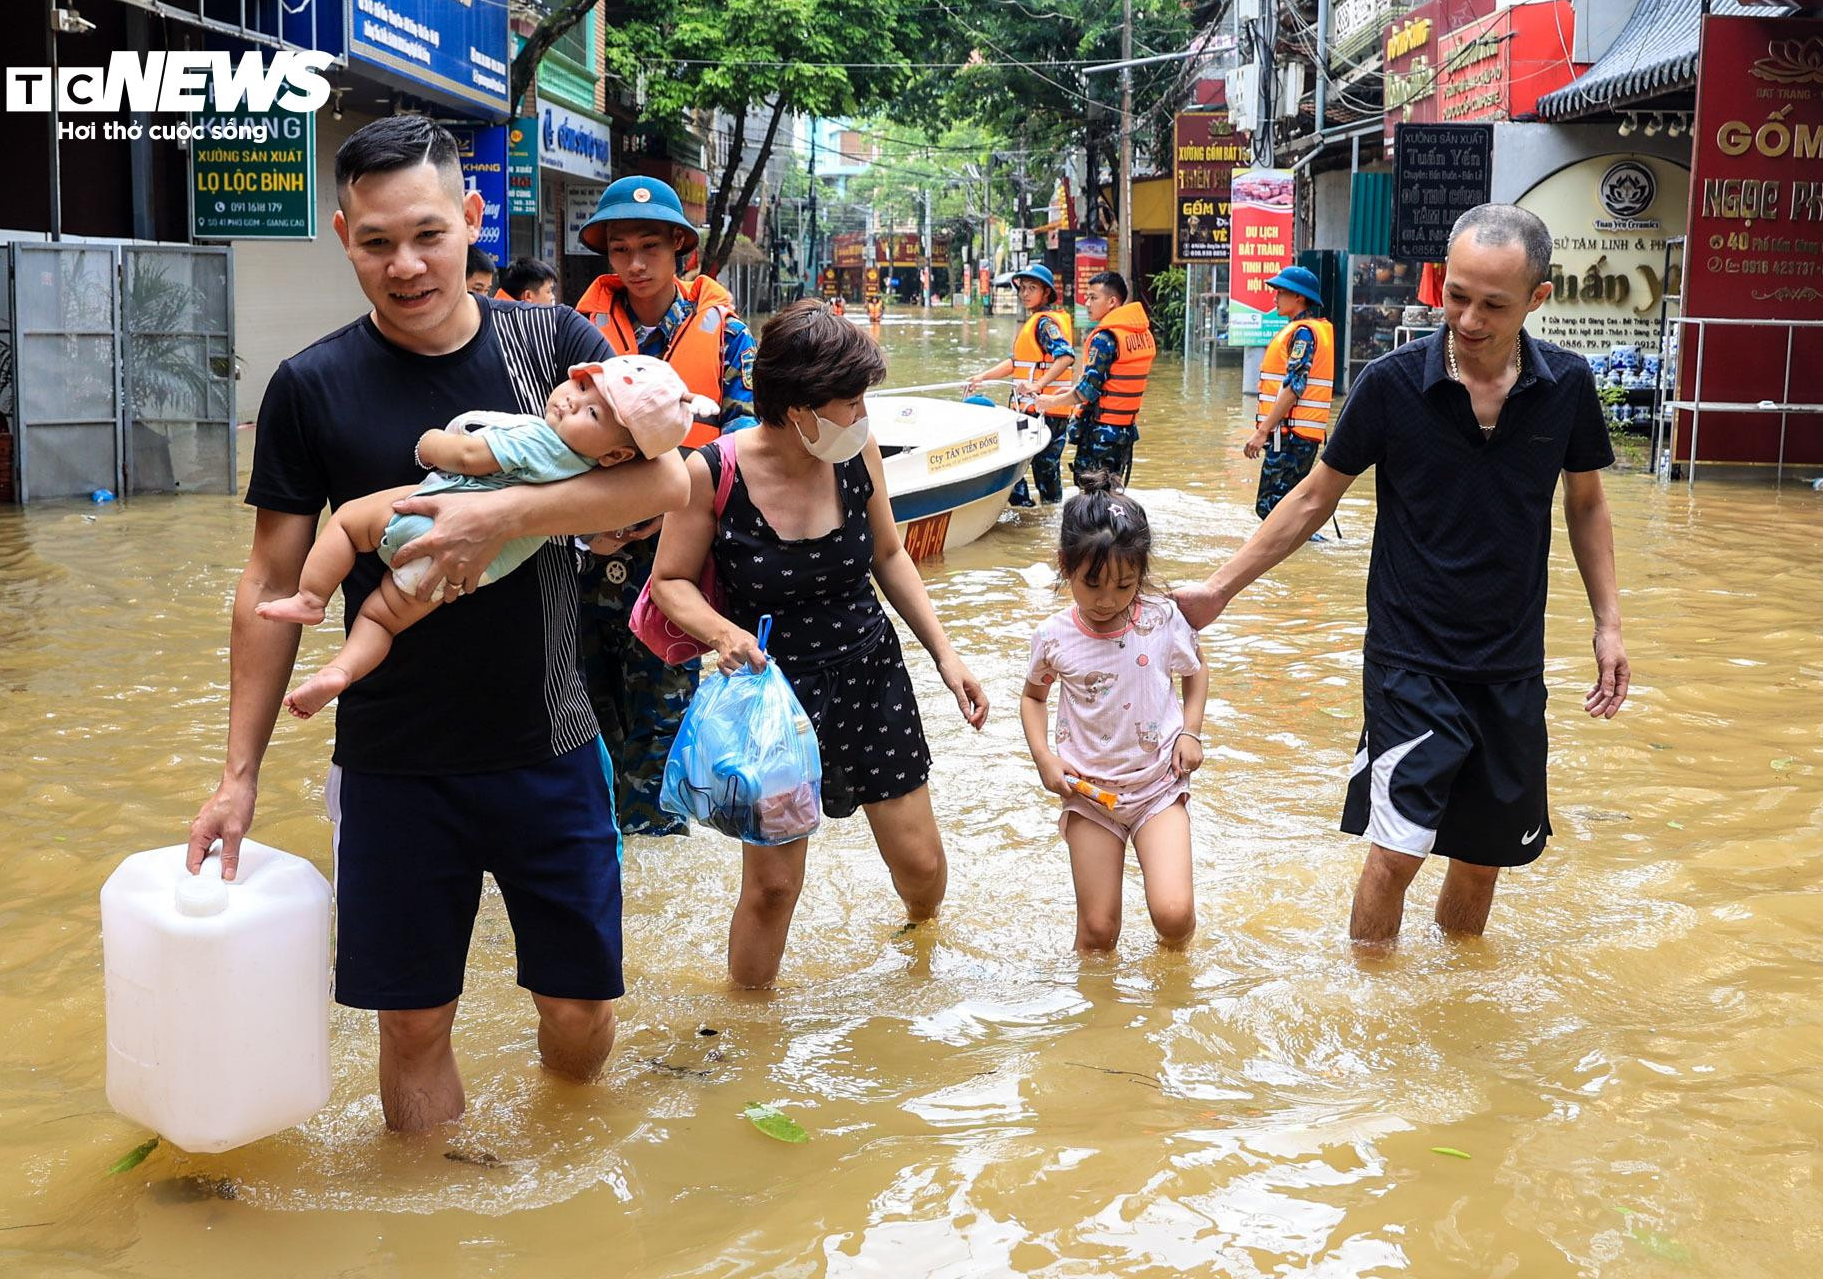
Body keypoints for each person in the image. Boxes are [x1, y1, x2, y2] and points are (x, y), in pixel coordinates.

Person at [185, 116, 688, 1132]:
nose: (404, 264)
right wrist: (235, 774)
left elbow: (665, 477)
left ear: (470, 219)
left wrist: (496, 515)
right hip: (391, 758)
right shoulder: (310, 387)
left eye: (427, 234)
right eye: (375, 242)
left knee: (581, 1006)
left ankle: (568, 1161)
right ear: (343, 237)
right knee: (412, 1026)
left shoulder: (554, 349)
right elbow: (269, 580)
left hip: (549, 740)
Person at [1172, 204, 1630, 945]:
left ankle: (1451, 1017)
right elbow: (1314, 498)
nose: (1469, 318)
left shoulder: (1568, 387)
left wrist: (1609, 624)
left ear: (1538, 301)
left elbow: (1587, 504)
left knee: (1483, 862)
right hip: (1410, 661)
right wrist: (1219, 588)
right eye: (1456, 295)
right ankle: (1373, 1015)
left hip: (1511, 665)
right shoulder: (1390, 386)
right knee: (1397, 854)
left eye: (1493, 304)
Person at [649, 301, 991, 987]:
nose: (861, 413)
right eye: (848, 399)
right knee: (774, 888)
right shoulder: (709, 472)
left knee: (920, 867)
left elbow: (890, 554)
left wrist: (946, 655)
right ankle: (748, 1026)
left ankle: (920, 963)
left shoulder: (856, 449)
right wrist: (723, 633)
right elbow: (669, 583)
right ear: (795, 406)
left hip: (870, 676)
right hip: (773, 698)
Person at [257, 356, 701, 718]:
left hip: (425, 517)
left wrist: (429, 444)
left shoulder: (539, 439)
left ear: (617, 453)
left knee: (349, 522)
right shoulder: (595, 479)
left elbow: (470, 456)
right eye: (581, 388)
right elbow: (600, 540)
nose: (571, 402)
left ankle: (311, 598)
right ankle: (340, 671)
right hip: (471, 571)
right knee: (381, 618)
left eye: (592, 411)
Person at [574, 176, 758, 837]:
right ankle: (605, 860)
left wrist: (666, 506)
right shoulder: (578, 334)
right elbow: (549, 434)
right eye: (620, 248)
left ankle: (657, 875)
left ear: (681, 247)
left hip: (675, 564)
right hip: (587, 557)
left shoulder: (729, 337)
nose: (634, 263)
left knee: (663, 728)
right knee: (587, 723)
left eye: (650, 246)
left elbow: (743, 442)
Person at [1022, 474, 1206, 951]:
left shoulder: (1160, 618)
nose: (1108, 600)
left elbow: (1196, 670)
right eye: (1093, 584)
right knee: (1099, 931)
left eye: (1125, 585)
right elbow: (1033, 697)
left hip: (1157, 787)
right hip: (1088, 791)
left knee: (1174, 914)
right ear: (1065, 566)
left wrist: (1191, 732)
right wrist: (1044, 758)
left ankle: (1177, 981)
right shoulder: (1053, 636)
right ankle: (1096, 1021)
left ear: (1140, 574)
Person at [967, 263, 1076, 506]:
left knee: (1044, 469)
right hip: (1030, 411)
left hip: (1046, 411)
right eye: (1023, 288)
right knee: (1018, 463)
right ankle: (1028, 512)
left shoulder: (1045, 324)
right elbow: (1015, 362)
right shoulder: (1034, 322)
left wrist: (1038, 384)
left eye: (1032, 288)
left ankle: (1048, 515)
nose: (1025, 293)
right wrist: (982, 377)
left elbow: (1066, 356)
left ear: (1046, 292)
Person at [1037, 271, 1155, 487]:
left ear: (1112, 302)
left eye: (1093, 297)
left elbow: (1087, 392)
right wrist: (1071, 391)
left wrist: (1050, 402)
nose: (1087, 304)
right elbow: (1110, 382)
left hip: (1101, 432)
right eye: (1087, 297)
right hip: (1124, 432)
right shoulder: (1142, 335)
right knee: (1113, 493)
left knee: (1091, 496)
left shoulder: (1105, 338)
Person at [1244, 265, 1335, 522]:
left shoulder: (1304, 333)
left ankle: (1311, 550)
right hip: (1297, 437)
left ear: (1299, 297)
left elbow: (1294, 387)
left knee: (1271, 509)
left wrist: (1262, 433)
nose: (1275, 297)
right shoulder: (1305, 330)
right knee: (1288, 509)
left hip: (1291, 438)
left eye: (1281, 292)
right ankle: (1308, 553)